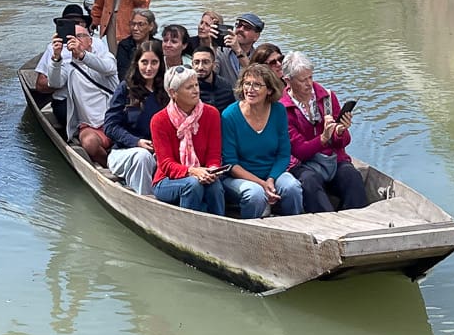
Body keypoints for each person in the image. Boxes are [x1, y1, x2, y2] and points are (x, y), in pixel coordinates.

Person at [280, 51, 369, 213]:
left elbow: (342, 143)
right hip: (302, 164)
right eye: (303, 80)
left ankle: (360, 218)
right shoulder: (282, 108)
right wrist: (323, 138)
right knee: (310, 182)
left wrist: (340, 132)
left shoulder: (327, 97)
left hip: (331, 160)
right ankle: (328, 221)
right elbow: (299, 151)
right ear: (288, 81)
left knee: (351, 176)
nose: (309, 84)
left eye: (310, 77)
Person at [220, 64, 304, 220]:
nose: (250, 89)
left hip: (272, 174)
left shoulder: (278, 110)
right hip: (239, 178)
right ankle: (250, 230)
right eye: (247, 84)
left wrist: (271, 179)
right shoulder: (229, 115)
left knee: (292, 187)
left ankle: (293, 225)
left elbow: (283, 154)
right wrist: (262, 184)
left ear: (269, 90)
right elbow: (231, 164)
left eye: (257, 85)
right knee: (256, 194)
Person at [150, 65, 225, 214]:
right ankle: (187, 225)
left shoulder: (212, 114)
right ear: (173, 92)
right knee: (192, 184)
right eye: (189, 87)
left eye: (196, 85)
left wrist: (212, 170)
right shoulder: (159, 120)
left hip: (203, 174)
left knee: (215, 186)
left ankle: (221, 223)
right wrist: (192, 171)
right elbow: (166, 164)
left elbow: (214, 155)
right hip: (167, 180)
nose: (196, 90)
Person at [49, 15, 117, 162]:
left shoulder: (105, 57)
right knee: (89, 143)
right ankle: (107, 164)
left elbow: (107, 68)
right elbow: (54, 82)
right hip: (89, 126)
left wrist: (82, 55)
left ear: (90, 41)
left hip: (115, 120)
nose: (76, 40)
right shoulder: (69, 66)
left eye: (79, 36)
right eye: (72, 36)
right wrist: (56, 58)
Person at [103, 42, 167, 195]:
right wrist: (136, 142)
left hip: (159, 152)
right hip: (125, 151)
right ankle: (145, 199)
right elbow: (110, 126)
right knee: (142, 157)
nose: (149, 68)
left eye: (154, 62)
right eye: (144, 62)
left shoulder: (166, 90)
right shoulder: (125, 88)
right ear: (137, 63)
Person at [217, 12, 264, 97]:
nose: (241, 29)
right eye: (238, 25)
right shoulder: (220, 52)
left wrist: (238, 50)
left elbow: (257, 78)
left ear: (256, 36)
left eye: (247, 27)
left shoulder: (259, 57)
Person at [117, 6, 157, 81]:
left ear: (151, 26)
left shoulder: (158, 45)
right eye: (133, 24)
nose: (135, 28)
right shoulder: (124, 46)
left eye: (140, 24)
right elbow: (123, 73)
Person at [190, 45, 233, 112]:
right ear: (192, 65)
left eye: (205, 62)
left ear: (214, 65)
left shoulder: (225, 86)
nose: (200, 67)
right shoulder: (188, 88)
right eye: (196, 63)